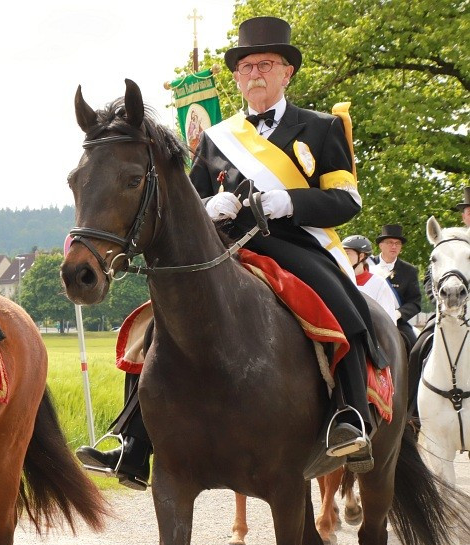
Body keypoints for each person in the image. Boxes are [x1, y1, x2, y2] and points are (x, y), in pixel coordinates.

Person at [77, 16, 385, 485]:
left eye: (266, 64)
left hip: (296, 241)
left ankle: (351, 415)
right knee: (156, 322)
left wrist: (290, 202)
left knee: (342, 304)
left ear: (287, 73)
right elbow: (184, 203)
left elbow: (347, 199)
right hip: (224, 247)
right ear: (237, 78)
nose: (255, 73)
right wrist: (208, 205)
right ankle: (133, 441)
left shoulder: (322, 129)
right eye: (246, 66)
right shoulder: (216, 138)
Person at [368, 224, 421, 351]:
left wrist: (398, 314)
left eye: (397, 243)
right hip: (369, 317)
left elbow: (415, 302)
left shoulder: (409, 271)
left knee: (415, 346)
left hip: (397, 322)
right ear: (381, 245)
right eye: (390, 242)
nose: (394, 246)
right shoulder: (367, 265)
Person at [342, 235, 400, 323]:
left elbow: (388, 321)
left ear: (361, 256)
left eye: (347, 253)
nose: (343, 257)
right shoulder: (337, 280)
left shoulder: (378, 283)